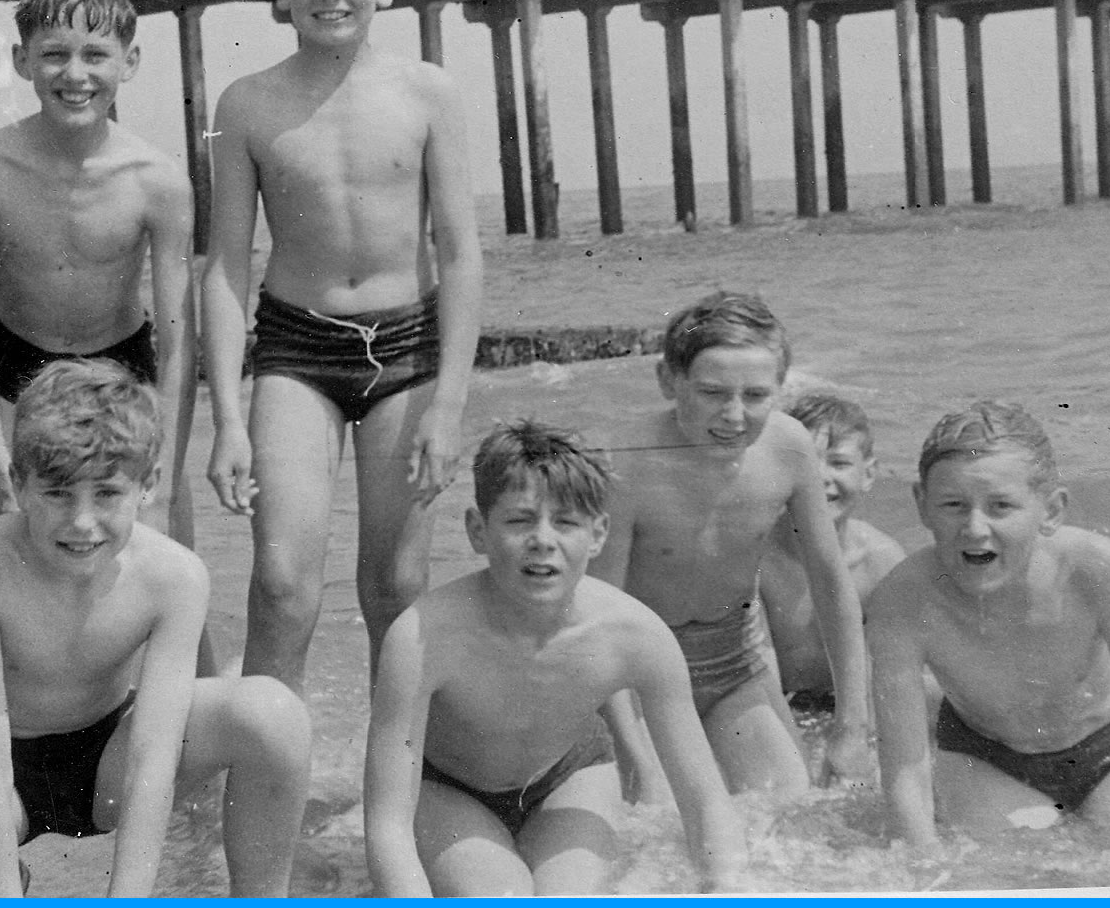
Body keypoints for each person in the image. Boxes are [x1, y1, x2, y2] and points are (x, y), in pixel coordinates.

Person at [0, 361, 311, 897]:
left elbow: (152, 757)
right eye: (58, 493)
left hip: (108, 760)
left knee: (274, 714)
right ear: (18, 483)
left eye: (106, 494)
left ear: (147, 485)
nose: (82, 522)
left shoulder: (175, 576)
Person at [203, 0, 483, 694]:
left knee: (398, 586)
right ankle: (267, 760)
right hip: (297, 349)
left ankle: (399, 767)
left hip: (409, 348)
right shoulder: (246, 104)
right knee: (282, 585)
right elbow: (225, 265)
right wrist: (228, 421)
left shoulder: (428, 93)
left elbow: (461, 254)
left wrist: (451, 404)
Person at [0, 0, 202, 697]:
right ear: (21, 61)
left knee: (175, 578)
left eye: (94, 55)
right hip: (13, 374)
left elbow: (180, 344)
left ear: (129, 62)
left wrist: (167, 473)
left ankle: (194, 751)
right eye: (53, 54)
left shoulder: (158, 181)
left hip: (123, 376)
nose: (74, 74)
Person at [365, 422, 747, 896]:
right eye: (519, 521)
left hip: (571, 777)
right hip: (447, 788)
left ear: (598, 533)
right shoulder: (424, 637)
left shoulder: (636, 635)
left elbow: (705, 802)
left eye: (566, 522)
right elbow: (388, 826)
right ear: (478, 531)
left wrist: (724, 885)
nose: (543, 540)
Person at [868, 402, 1110, 869]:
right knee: (997, 875)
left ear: (1051, 510)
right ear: (921, 504)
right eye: (953, 505)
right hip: (986, 756)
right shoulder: (901, 599)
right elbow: (903, 766)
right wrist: (918, 869)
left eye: (1000, 506)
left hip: (1109, 751)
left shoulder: (1103, 571)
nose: (974, 528)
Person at [588, 291, 872, 797]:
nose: (735, 417)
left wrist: (852, 725)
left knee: (789, 808)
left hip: (735, 665)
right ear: (668, 380)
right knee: (658, 817)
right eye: (713, 393)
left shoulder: (788, 447)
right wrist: (633, 753)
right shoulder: (626, 465)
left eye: (756, 395)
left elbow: (831, 584)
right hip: (639, 673)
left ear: (781, 387)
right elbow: (597, 618)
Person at [759, 392, 906, 716]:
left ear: (869, 474)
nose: (820, 478)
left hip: (849, 705)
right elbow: (757, 677)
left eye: (839, 463)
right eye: (805, 462)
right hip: (778, 704)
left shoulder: (881, 562)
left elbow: (888, 672)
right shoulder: (758, 561)